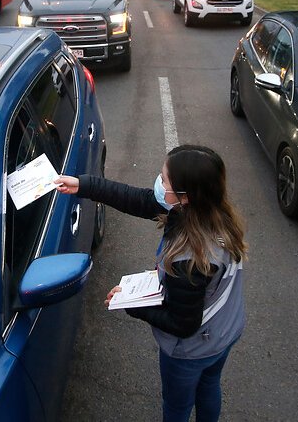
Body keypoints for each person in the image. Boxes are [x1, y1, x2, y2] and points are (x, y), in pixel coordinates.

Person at [55, 145, 247, 422]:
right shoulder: (213, 212)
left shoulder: (189, 260)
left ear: (185, 197)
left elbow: (183, 324)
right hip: (225, 330)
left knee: (177, 406)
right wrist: (83, 185)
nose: (158, 182)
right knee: (209, 385)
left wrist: (132, 305)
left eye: (164, 178)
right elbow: (137, 199)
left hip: (192, 348)